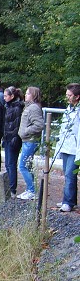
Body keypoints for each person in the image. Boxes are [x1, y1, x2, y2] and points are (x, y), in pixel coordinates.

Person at [54, 83, 80, 212]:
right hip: (66, 146)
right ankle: (69, 199)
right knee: (67, 174)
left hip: (75, 148)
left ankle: (68, 202)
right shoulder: (69, 109)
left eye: (69, 95)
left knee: (70, 174)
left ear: (77, 96)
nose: (67, 97)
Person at [15, 86, 45, 200]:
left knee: (22, 166)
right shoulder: (29, 107)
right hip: (27, 140)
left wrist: (26, 131)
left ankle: (31, 190)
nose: (25, 95)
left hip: (30, 141)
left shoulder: (33, 108)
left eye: (28, 93)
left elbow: (39, 125)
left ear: (33, 95)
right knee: (27, 165)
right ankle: (30, 190)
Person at [2, 86, 24, 196]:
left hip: (13, 139)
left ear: (12, 96)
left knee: (11, 164)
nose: (4, 97)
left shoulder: (17, 108)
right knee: (7, 164)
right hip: (7, 138)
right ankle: (9, 187)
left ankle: (12, 189)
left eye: (6, 96)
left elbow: (16, 125)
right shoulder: (8, 106)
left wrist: (14, 137)